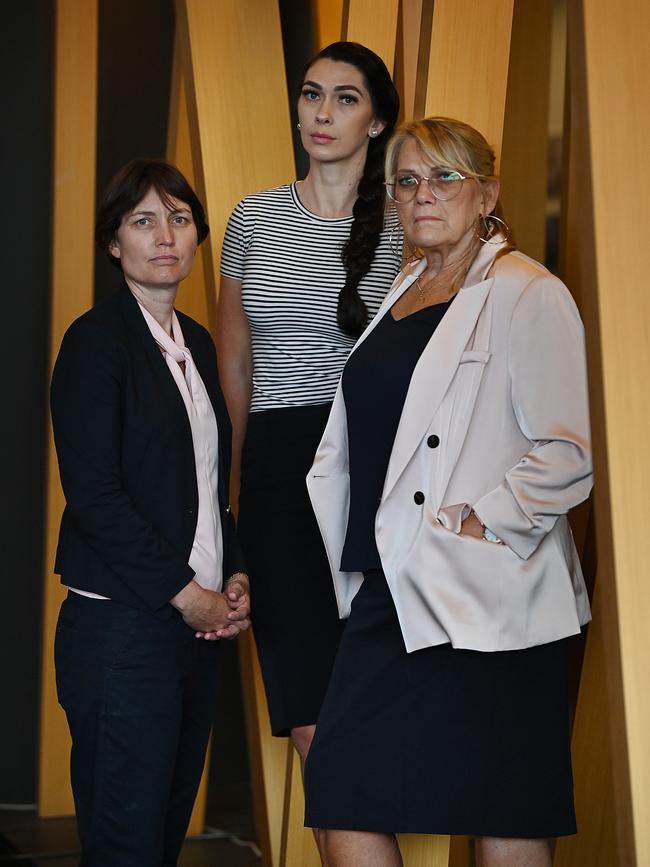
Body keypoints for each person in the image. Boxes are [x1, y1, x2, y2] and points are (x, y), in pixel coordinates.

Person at [303, 117, 592, 867]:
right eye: (407, 180)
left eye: (444, 177)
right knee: (342, 786)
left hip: (486, 592)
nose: (422, 193)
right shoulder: (402, 288)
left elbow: (570, 450)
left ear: (488, 192)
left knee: (500, 800)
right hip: (390, 581)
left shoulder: (527, 291)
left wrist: (482, 521)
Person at [51, 159, 250, 866]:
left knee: (160, 839)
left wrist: (232, 573)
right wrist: (185, 593)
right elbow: (96, 495)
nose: (164, 235)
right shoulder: (96, 344)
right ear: (114, 243)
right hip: (120, 633)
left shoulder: (195, 342)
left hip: (187, 631)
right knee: (125, 846)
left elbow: (205, 482)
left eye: (179, 218)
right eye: (142, 220)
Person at [216, 41, 401, 765]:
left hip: (373, 463)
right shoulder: (252, 218)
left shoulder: (405, 226)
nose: (321, 114)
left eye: (345, 98)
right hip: (275, 463)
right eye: (311, 94)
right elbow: (235, 364)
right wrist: (223, 489)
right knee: (307, 710)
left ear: (378, 121)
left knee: (376, 694)